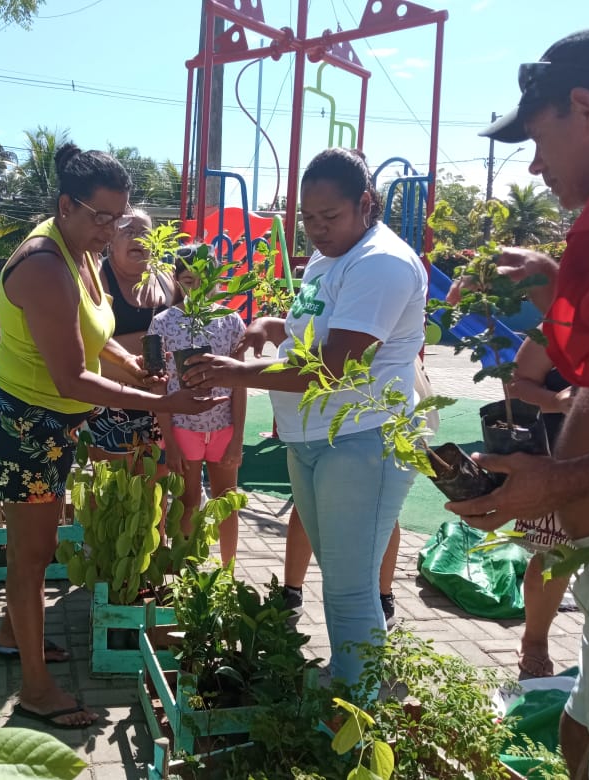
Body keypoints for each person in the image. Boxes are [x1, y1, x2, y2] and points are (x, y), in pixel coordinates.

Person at [445, 28, 589, 776]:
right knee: (581, 740)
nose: (534, 166)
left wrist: (561, 481)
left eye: (538, 139)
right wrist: (548, 282)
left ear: (585, 106)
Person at [0, 142, 225, 729]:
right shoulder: (43, 264)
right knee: (30, 558)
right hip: (26, 424)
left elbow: (96, 333)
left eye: (119, 216)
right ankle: (35, 689)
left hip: (53, 421)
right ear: (66, 205)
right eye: (101, 217)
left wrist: (134, 367)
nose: (111, 229)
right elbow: (72, 374)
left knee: (32, 551)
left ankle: (14, 635)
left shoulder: (81, 250)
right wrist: (162, 399)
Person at [182, 147, 427, 687]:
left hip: (364, 438)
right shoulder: (328, 257)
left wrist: (234, 372)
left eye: (329, 217)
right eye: (308, 219)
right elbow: (313, 330)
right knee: (340, 574)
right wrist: (273, 325)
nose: (317, 230)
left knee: (350, 583)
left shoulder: (379, 262)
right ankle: (350, 687)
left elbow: (336, 367)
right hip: (313, 437)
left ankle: (355, 702)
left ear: (365, 204)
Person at [149, 251, 246, 565]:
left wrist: (238, 437)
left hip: (224, 427)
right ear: (178, 280)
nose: (196, 286)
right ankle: (186, 571)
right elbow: (159, 386)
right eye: (188, 279)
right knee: (188, 500)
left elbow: (240, 383)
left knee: (227, 502)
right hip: (183, 428)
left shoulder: (231, 322)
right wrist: (170, 443)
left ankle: (228, 572)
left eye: (203, 278)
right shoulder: (163, 322)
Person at [506, 329, 573, 678]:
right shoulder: (561, 321)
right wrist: (557, 401)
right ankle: (535, 641)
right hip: (562, 460)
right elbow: (515, 385)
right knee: (555, 555)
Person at [86, 209, 173, 462]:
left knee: (158, 488)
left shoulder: (167, 279)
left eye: (144, 233)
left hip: (161, 404)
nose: (138, 239)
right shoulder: (96, 278)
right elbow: (87, 344)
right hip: (113, 402)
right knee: (113, 490)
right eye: (129, 231)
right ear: (111, 240)